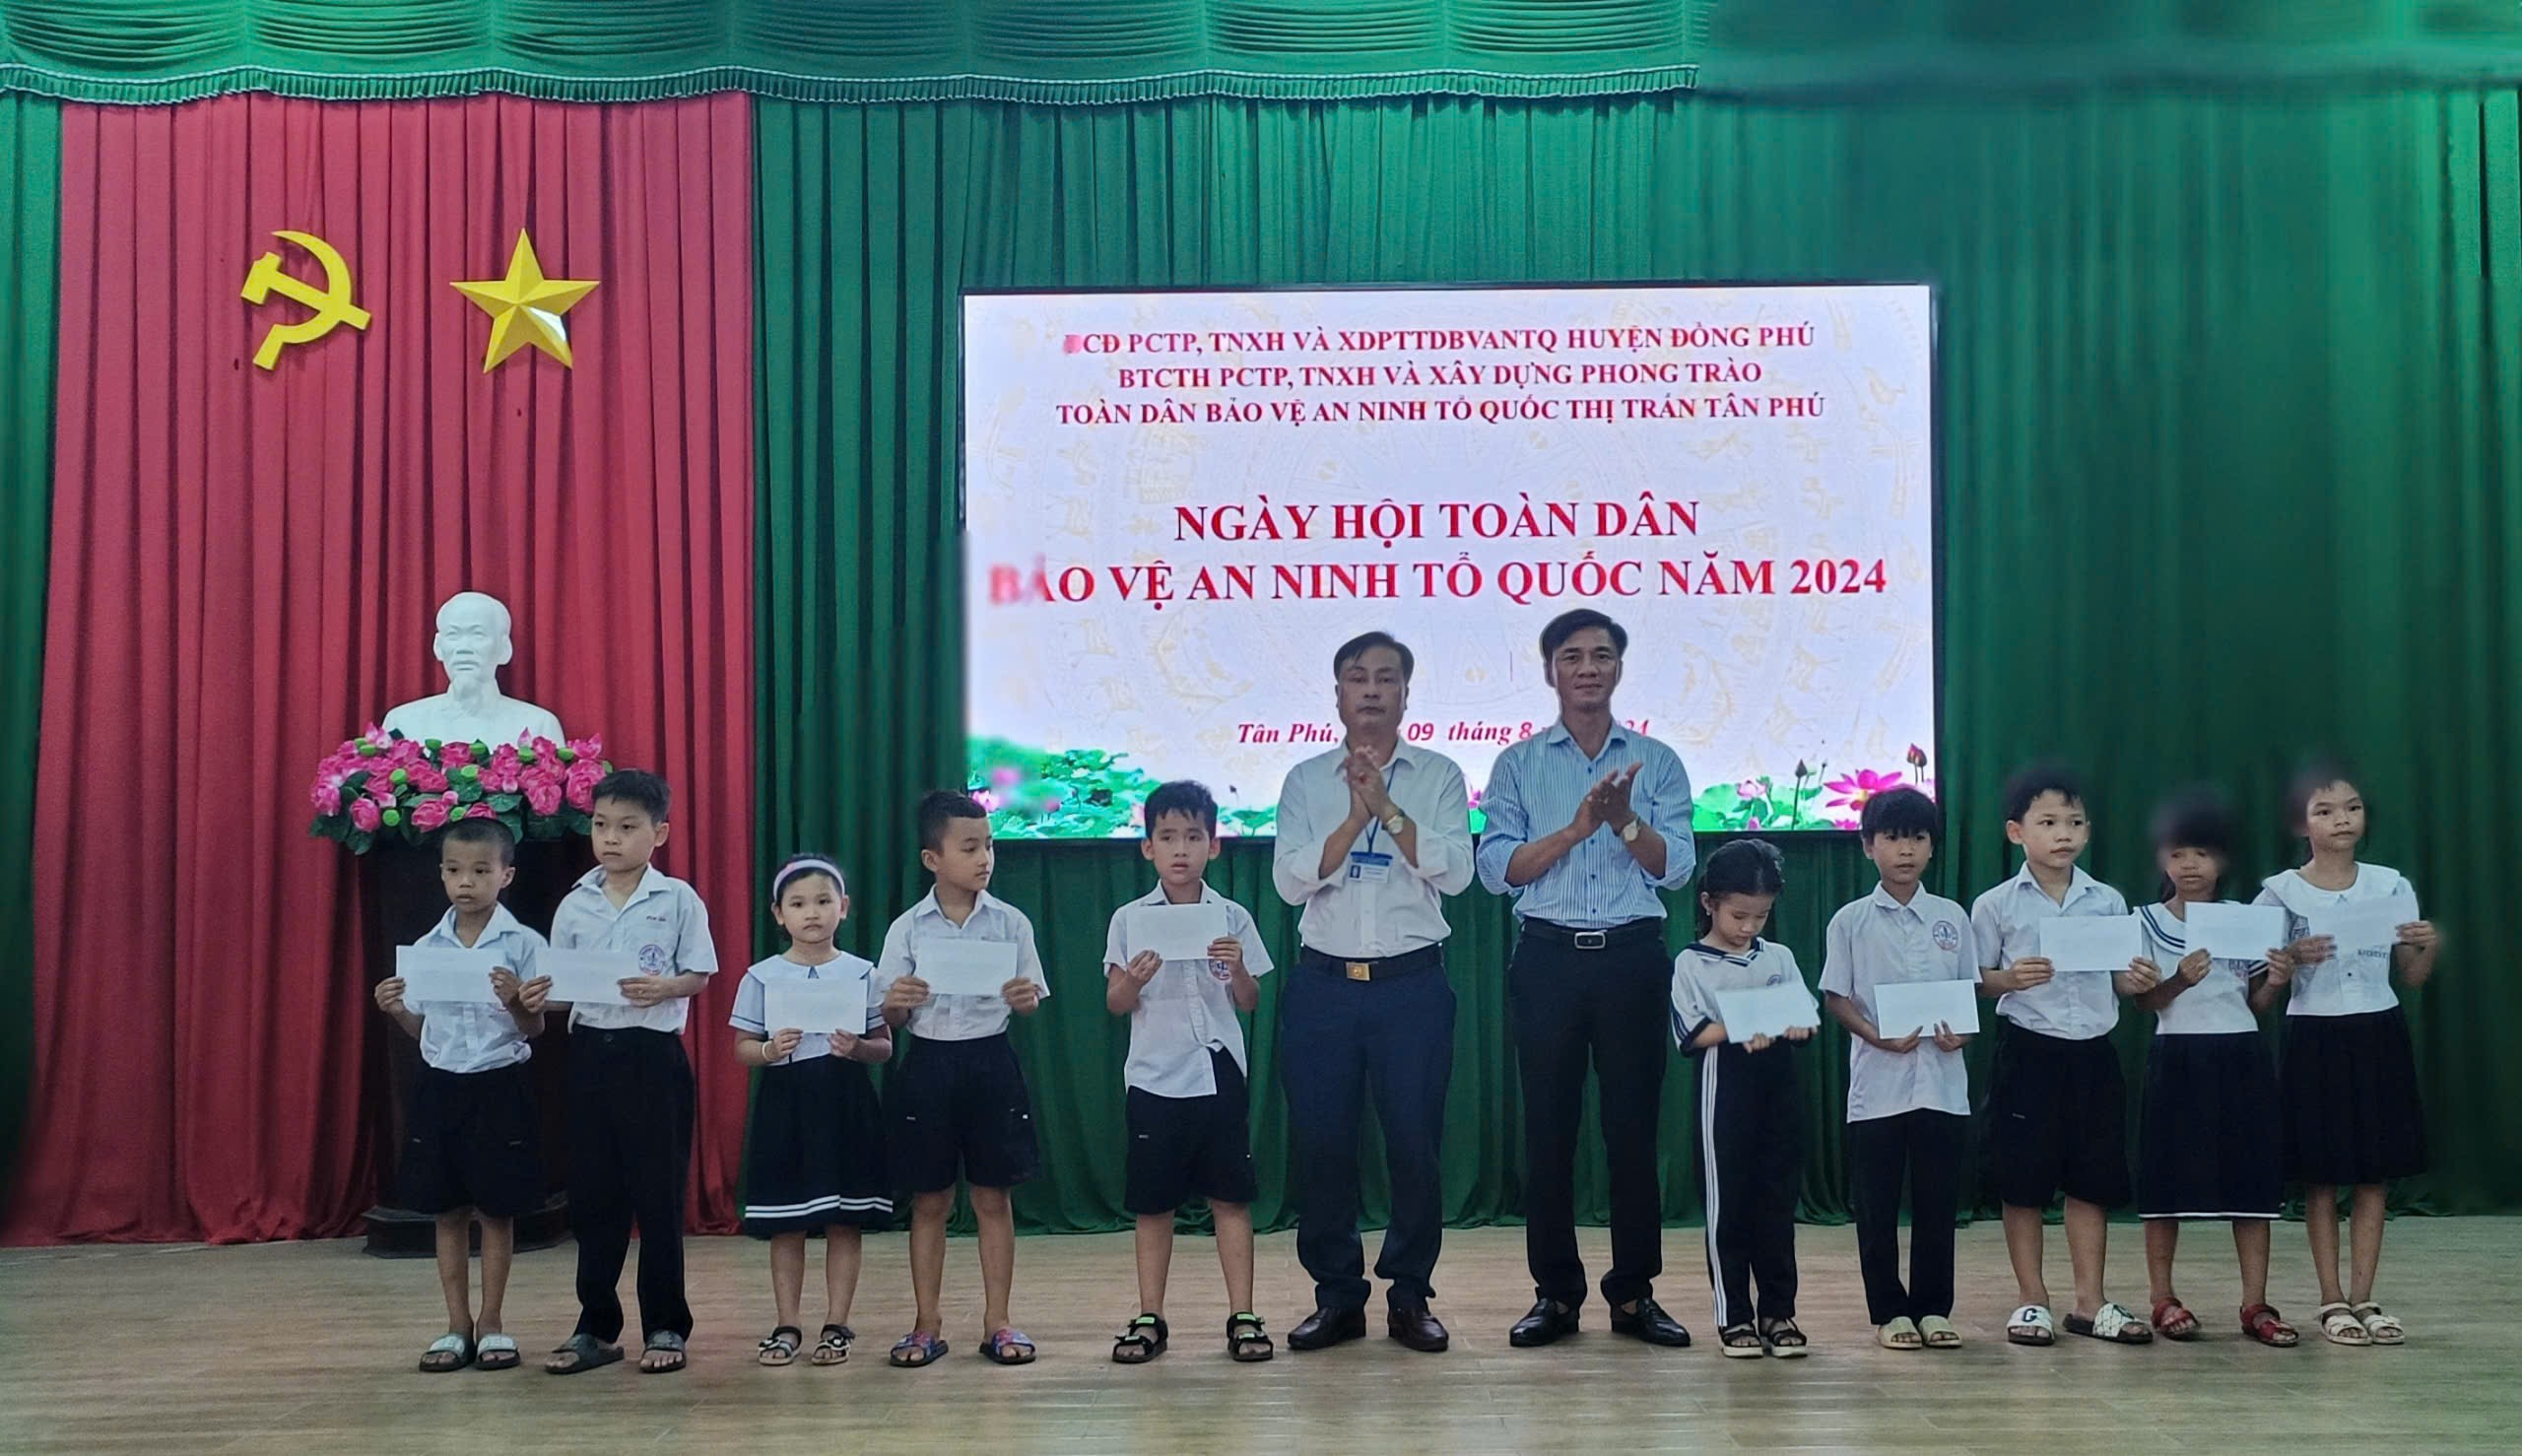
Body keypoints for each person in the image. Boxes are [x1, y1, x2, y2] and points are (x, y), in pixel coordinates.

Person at [1475, 608, 1697, 1350]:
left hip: (1633, 957)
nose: (1588, 668)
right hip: (1549, 960)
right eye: (1572, 656)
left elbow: (1678, 868)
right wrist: (1577, 829)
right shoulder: (1517, 764)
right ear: (1551, 672)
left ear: (1619, 669)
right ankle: (1556, 1294)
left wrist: (1626, 821)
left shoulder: (1657, 760)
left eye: (1602, 655)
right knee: (1549, 1132)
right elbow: (1497, 870)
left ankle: (1633, 1294)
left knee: (1633, 1132)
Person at [1270, 631, 1474, 1355]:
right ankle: (1336, 1297)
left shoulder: (1440, 775)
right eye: (1358, 678)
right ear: (1338, 694)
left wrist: (1387, 807)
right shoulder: (1305, 780)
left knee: (1415, 1145)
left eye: (1387, 678)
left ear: (1406, 695)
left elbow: (1457, 873)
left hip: (1411, 987)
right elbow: (1289, 882)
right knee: (1323, 1146)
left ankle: (1410, 1295)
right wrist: (1356, 816)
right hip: (1324, 987)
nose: (1372, 690)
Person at [2254, 761, 2440, 1347]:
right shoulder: (2279, 892)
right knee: (2321, 1177)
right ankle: (2331, 1299)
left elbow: (2411, 976)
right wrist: (2290, 960)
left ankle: (2365, 1297)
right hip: (2315, 1033)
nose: (2342, 820)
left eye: (2352, 808)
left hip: (2378, 1029)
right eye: (2325, 811)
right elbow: (2259, 987)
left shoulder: (2390, 885)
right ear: (2300, 824)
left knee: (2373, 1174)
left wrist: (2427, 945)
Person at [1971, 763, 2157, 1348]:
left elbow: (2121, 981)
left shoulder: (2108, 901)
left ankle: (2089, 1302)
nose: (2063, 834)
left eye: (2074, 823)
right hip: (2028, 1051)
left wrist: (2136, 979)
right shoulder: (1996, 905)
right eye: (2048, 822)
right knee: (2022, 1182)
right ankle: (2032, 1299)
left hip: (2093, 1054)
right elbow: (1974, 980)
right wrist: (2008, 979)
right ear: (2016, 832)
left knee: (2091, 1180)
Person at [543, 768, 720, 1376]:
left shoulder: (678, 900)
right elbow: (562, 989)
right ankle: (595, 1326)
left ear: (659, 833)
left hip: (652, 1056)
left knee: (658, 1195)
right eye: (600, 826)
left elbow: (699, 975)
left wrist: (665, 987)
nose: (610, 838)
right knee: (594, 1197)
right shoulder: (574, 903)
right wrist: (535, 994)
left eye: (626, 827)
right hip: (590, 1054)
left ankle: (666, 1325)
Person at [875, 790, 1050, 1368]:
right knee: (929, 1200)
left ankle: (998, 1321)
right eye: (970, 847)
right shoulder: (907, 928)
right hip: (928, 1064)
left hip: (990, 1062)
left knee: (993, 1197)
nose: (985, 859)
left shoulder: (1011, 922)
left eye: (989, 846)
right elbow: (890, 1016)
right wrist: (897, 1002)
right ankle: (926, 1324)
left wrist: (1024, 999)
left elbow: (1031, 1000)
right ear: (933, 859)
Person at [1104, 781, 1277, 1364]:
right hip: (1155, 1075)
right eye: (1168, 837)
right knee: (1154, 1205)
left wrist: (1238, 969)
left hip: (1218, 1070)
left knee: (1231, 1198)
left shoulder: (1232, 916)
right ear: (1148, 847)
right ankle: (1150, 1315)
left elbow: (1250, 1002)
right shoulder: (1130, 919)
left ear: (1214, 846)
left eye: (1194, 837)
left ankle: (1243, 1314)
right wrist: (1133, 979)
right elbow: (1116, 1003)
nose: (1181, 849)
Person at [371, 818, 549, 1373]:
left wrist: (515, 1000)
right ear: (442, 875)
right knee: (446, 1211)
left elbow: (535, 1029)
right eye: (453, 870)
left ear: (506, 875)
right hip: (440, 1085)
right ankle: (456, 1325)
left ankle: (492, 1322)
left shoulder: (524, 944)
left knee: (496, 1210)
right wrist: (396, 1009)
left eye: (479, 871)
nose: (465, 882)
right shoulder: (427, 948)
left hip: (498, 1083)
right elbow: (424, 1032)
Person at [2129, 791, 2296, 1348]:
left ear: (2222, 860)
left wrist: (2276, 981)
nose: (2190, 865)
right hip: (2176, 1057)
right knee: (2165, 1185)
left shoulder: (2245, 921)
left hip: (2241, 1057)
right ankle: (2162, 1297)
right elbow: (2145, 1003)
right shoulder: (2145, 921)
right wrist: (2179, 980)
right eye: (2178, 854)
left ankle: (2255, 1303)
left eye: (2202, 854)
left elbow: (2255, 1003)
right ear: (2162, 860)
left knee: (2251, 1184)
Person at [1818, 786, 1974, 1353]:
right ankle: (1889, 1312)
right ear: (1867, 847)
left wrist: (1962, 1034)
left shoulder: (1952, 917)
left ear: (1932, 847)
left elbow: (1968, 991)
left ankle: (1933, 1308)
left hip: (1942, 1085)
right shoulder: (1850, 921)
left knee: (1937, 1204)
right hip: (1878, 1088)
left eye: (1917, 838)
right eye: (1891, 838)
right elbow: (1837, 997)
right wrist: (1875, 1036)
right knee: (1877, 1206)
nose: (1905, 850)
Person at [731, 854, 893, 1368]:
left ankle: (837, 1323)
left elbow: (884, 1044)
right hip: (786, 1102)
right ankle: (787, 1324)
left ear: (843, 907)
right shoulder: (762, 976)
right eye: (798, 904)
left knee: (845, 1219)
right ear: (779, 914)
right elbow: (742, 1047)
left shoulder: (862, 973)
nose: (813, 913)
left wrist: (858, 1048)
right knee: (787, 1221)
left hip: (845, 1098)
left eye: (823, 901)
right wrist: (768, 1050)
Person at [1670, 840, 1815, 1358]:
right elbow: (1691, 1033)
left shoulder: (1778, 957)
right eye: (1738, 915)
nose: (1749, 926)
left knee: (1777, 1201)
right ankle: (1734, 1317)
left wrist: (1797, 1026)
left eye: (1762, 915)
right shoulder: (1692, 963)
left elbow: (1804, 1016)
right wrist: (1740, 1028)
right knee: (1728, 1204)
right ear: (1708, 903)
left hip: (1778, 1083)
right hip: (1725, 1084)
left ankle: (1778, 1311)